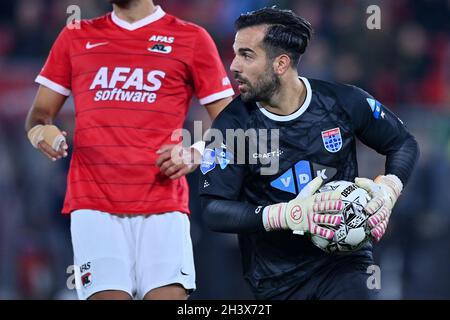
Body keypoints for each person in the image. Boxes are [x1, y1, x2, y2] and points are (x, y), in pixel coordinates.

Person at [199, 7, 419, 300]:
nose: (234, 66)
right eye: (235, 53)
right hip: (275, 280)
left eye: (247, 55)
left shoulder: (342, 102)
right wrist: (284, 215)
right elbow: (214, 210)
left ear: (280, 64)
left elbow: (403, 142)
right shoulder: (232, 125)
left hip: (345, 265)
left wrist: (389, 191)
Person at [25, 0, 233, 300]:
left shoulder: (192, 38)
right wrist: (41, 131)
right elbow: (39, 115)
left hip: (164, 207)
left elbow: (233, 125)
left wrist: (197, 152)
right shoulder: (75, 36)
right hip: (94, 207)